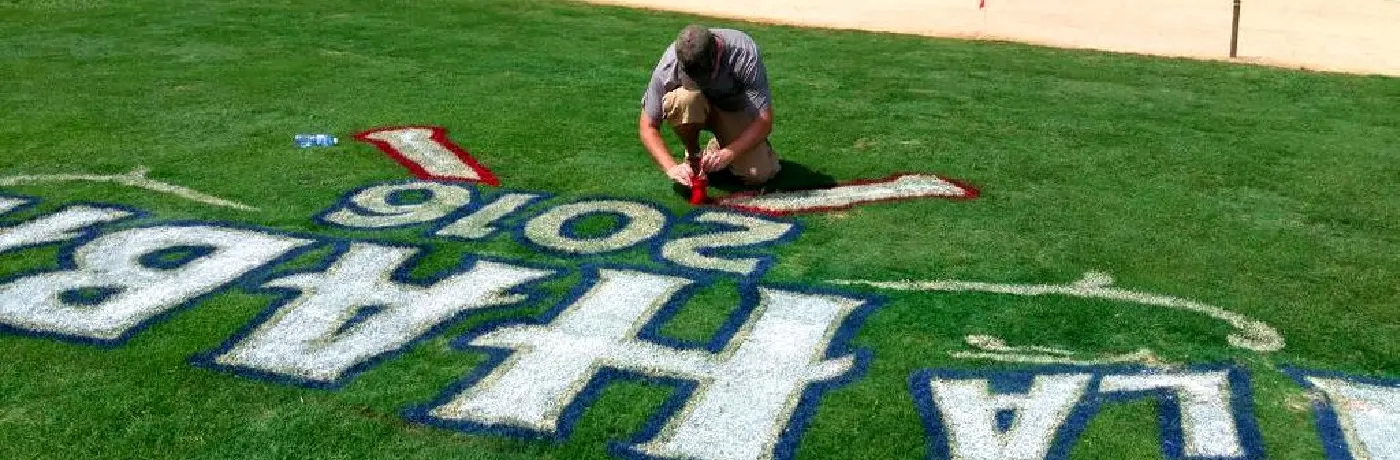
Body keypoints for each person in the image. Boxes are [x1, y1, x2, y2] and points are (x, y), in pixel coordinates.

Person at [639, 25, 781, 187]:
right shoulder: (669, 64)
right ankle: (694, 156)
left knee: (758, 174)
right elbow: (647, 126)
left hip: (733, 110)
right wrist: (671, 167)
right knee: (684, 98)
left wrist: (728, 153)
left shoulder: (743, 53)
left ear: (718, 54)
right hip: (695, 107)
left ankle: (723, 144)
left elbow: (764, 121)